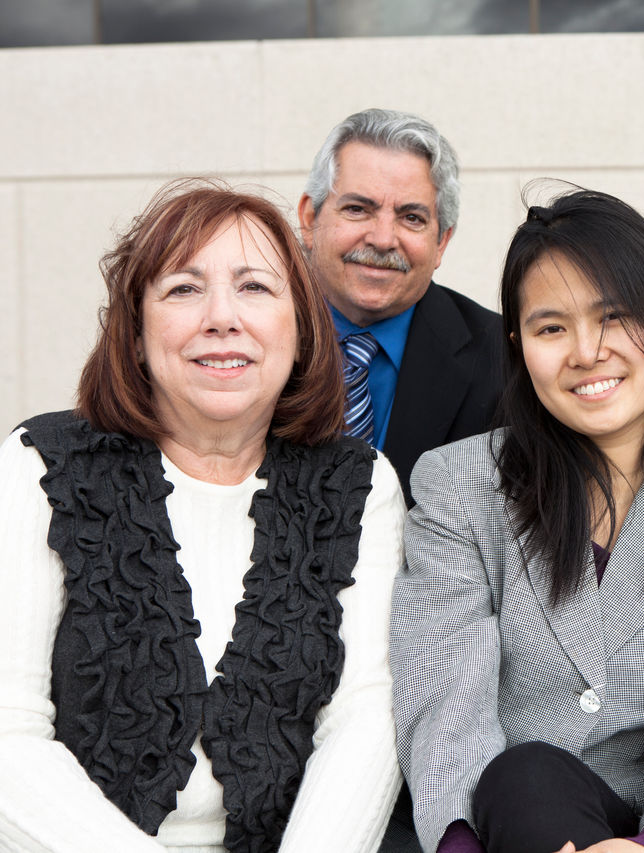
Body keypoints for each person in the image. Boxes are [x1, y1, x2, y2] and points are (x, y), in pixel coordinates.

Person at [0, 182, 406, 851]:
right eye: (184, 289)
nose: (222, 317)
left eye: (254, 287)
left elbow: (366, 719)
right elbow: (9, 735)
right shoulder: (39, 465)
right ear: (135, 331)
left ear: (301, 326)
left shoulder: (357, 483)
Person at [391, 189, 644, 853]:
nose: (586, 351)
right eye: (552, 328)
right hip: (494, 825)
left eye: (613, 317)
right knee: (527, 777)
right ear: (519, 346)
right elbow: (443, 702)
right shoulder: (459, 487)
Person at [298, 107, 503, 501]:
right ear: (310, 219)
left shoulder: (503, 361)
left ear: (440, 241)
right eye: (358, 209)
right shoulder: (243, 340)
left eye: (411, 217)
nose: (382, 239)